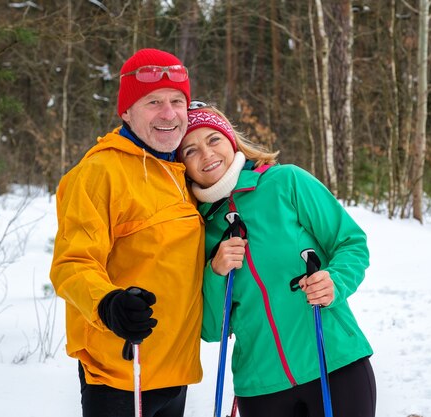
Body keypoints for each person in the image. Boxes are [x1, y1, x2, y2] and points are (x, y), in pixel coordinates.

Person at [177, 103, 376, 417]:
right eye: (190, 150)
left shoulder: (286, 182)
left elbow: (351, 243)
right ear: (182, 164)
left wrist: (334, 282)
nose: (206, 154)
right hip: (261, 388)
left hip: (335, 363)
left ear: (231, 140)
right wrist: (215, 272)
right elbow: (212, 329)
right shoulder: (197, 227)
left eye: (213, 140)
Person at [49, 48, 205, 417]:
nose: (168, 114)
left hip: (175, 370)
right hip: (120, 370)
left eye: (176, 101)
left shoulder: (185, 170)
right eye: (153, 102)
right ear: (126, 111)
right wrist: (108, 303)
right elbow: (71, 264)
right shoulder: (99, 172)